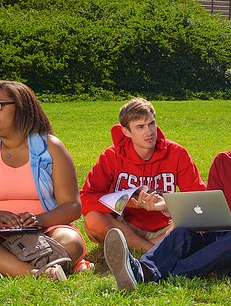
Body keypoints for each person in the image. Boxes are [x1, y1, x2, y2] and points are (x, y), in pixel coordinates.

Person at [104, 101, 231, 290]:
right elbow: (204, 207)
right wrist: (165, 205)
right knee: (185, 231)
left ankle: (174, 273)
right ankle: (143, 270)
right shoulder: (224, 161)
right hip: (217, 232)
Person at [0, 80, 86, 280]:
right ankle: (36, 272)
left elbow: (72, 207)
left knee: (72, 241)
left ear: (22, 107)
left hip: (44, 232)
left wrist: (39, 220)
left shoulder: (51, 148)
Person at [79, 97, 205, 253]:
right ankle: (151, 251)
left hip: (166, 227)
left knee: (196, 223)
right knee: (93, 219)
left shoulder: (177, 153)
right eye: (140, 127)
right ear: (126, 131)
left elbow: (199, 199)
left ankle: (138, 251)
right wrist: (129, 202)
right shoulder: (111, 155)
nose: (149, 132)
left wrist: (165, 204)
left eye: (151, 124)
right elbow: (85, 199)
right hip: (125, 225)